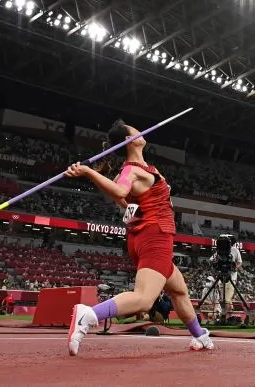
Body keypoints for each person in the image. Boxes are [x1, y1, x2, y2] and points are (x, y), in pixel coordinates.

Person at [64, 119, 214, 355]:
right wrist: (89, 172)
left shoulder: (138, 170)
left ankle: (199, 335)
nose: (141, 132)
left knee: (178, 291)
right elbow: (120, 191)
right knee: (144, 299)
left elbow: (123, 200)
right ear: (129, 140)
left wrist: (90, 173)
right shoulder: (131, 170)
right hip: (156, 235)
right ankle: (89, 314)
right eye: (137, 130)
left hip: (144, 235)